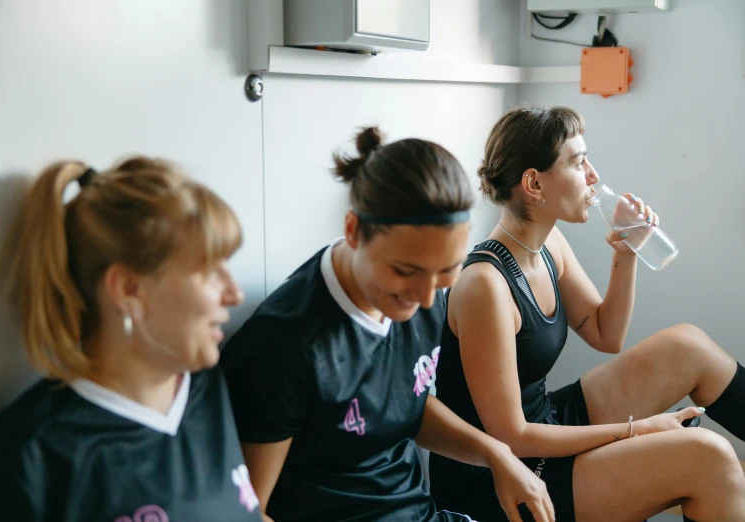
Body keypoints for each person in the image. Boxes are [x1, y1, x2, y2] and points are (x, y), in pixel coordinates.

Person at [222, 127, 555, 522]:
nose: (428, 297)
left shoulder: (420, 299)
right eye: (405, 271)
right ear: (353, 231)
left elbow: (403, 401)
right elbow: (248, 512)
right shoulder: (283, 345)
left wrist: (496, 454)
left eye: (447, 271)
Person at [429, 106, 745, 522]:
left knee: (688, 347)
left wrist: (627, 252)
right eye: (578, 163)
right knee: (710, 458)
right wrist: (638, 430)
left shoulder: (548, 244)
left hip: (544, 423)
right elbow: (510, 435)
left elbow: (605, 333)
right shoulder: (485, 286)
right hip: (500, 473)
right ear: (534, 183)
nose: (593, 175)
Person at [0, 157, 262, 521]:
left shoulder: (205, 389)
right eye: (209, 271)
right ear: (129, 290)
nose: (234, 293)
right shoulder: (17, 464)